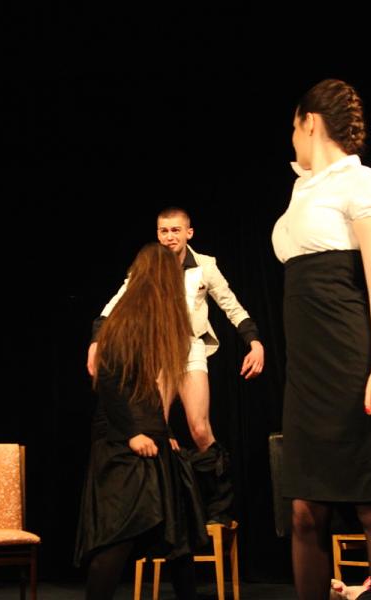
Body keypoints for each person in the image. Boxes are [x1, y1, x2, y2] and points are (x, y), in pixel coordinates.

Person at [272, 79, 371, 598]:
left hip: (350, 361)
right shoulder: (302, 188)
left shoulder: (361, 181)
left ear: (309, 122)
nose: (291, 138)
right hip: (305, 373)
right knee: (304, 510)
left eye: (293, 127)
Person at [87, 206, 265, 524]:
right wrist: (96, 341)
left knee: (199, 428)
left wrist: (254, 342)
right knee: (156, 431)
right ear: (158, 234)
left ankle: (218, 507)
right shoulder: (149, 268)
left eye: (175, 230)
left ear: (188, 233)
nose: (170, 237)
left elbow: (231, 306)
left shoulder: (205, 266)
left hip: (190, 347)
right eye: (164, 231)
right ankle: (163, 512)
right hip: (158, 351)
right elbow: (114, 305)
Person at [76, 243, 208, 600]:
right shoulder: (129, 318)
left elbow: (148, 387)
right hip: (125, 440)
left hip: (151, 434)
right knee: (120, 534)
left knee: (178, 537)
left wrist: (165, 432)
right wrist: (131, 433)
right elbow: (107, 376)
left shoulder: (156, 318)